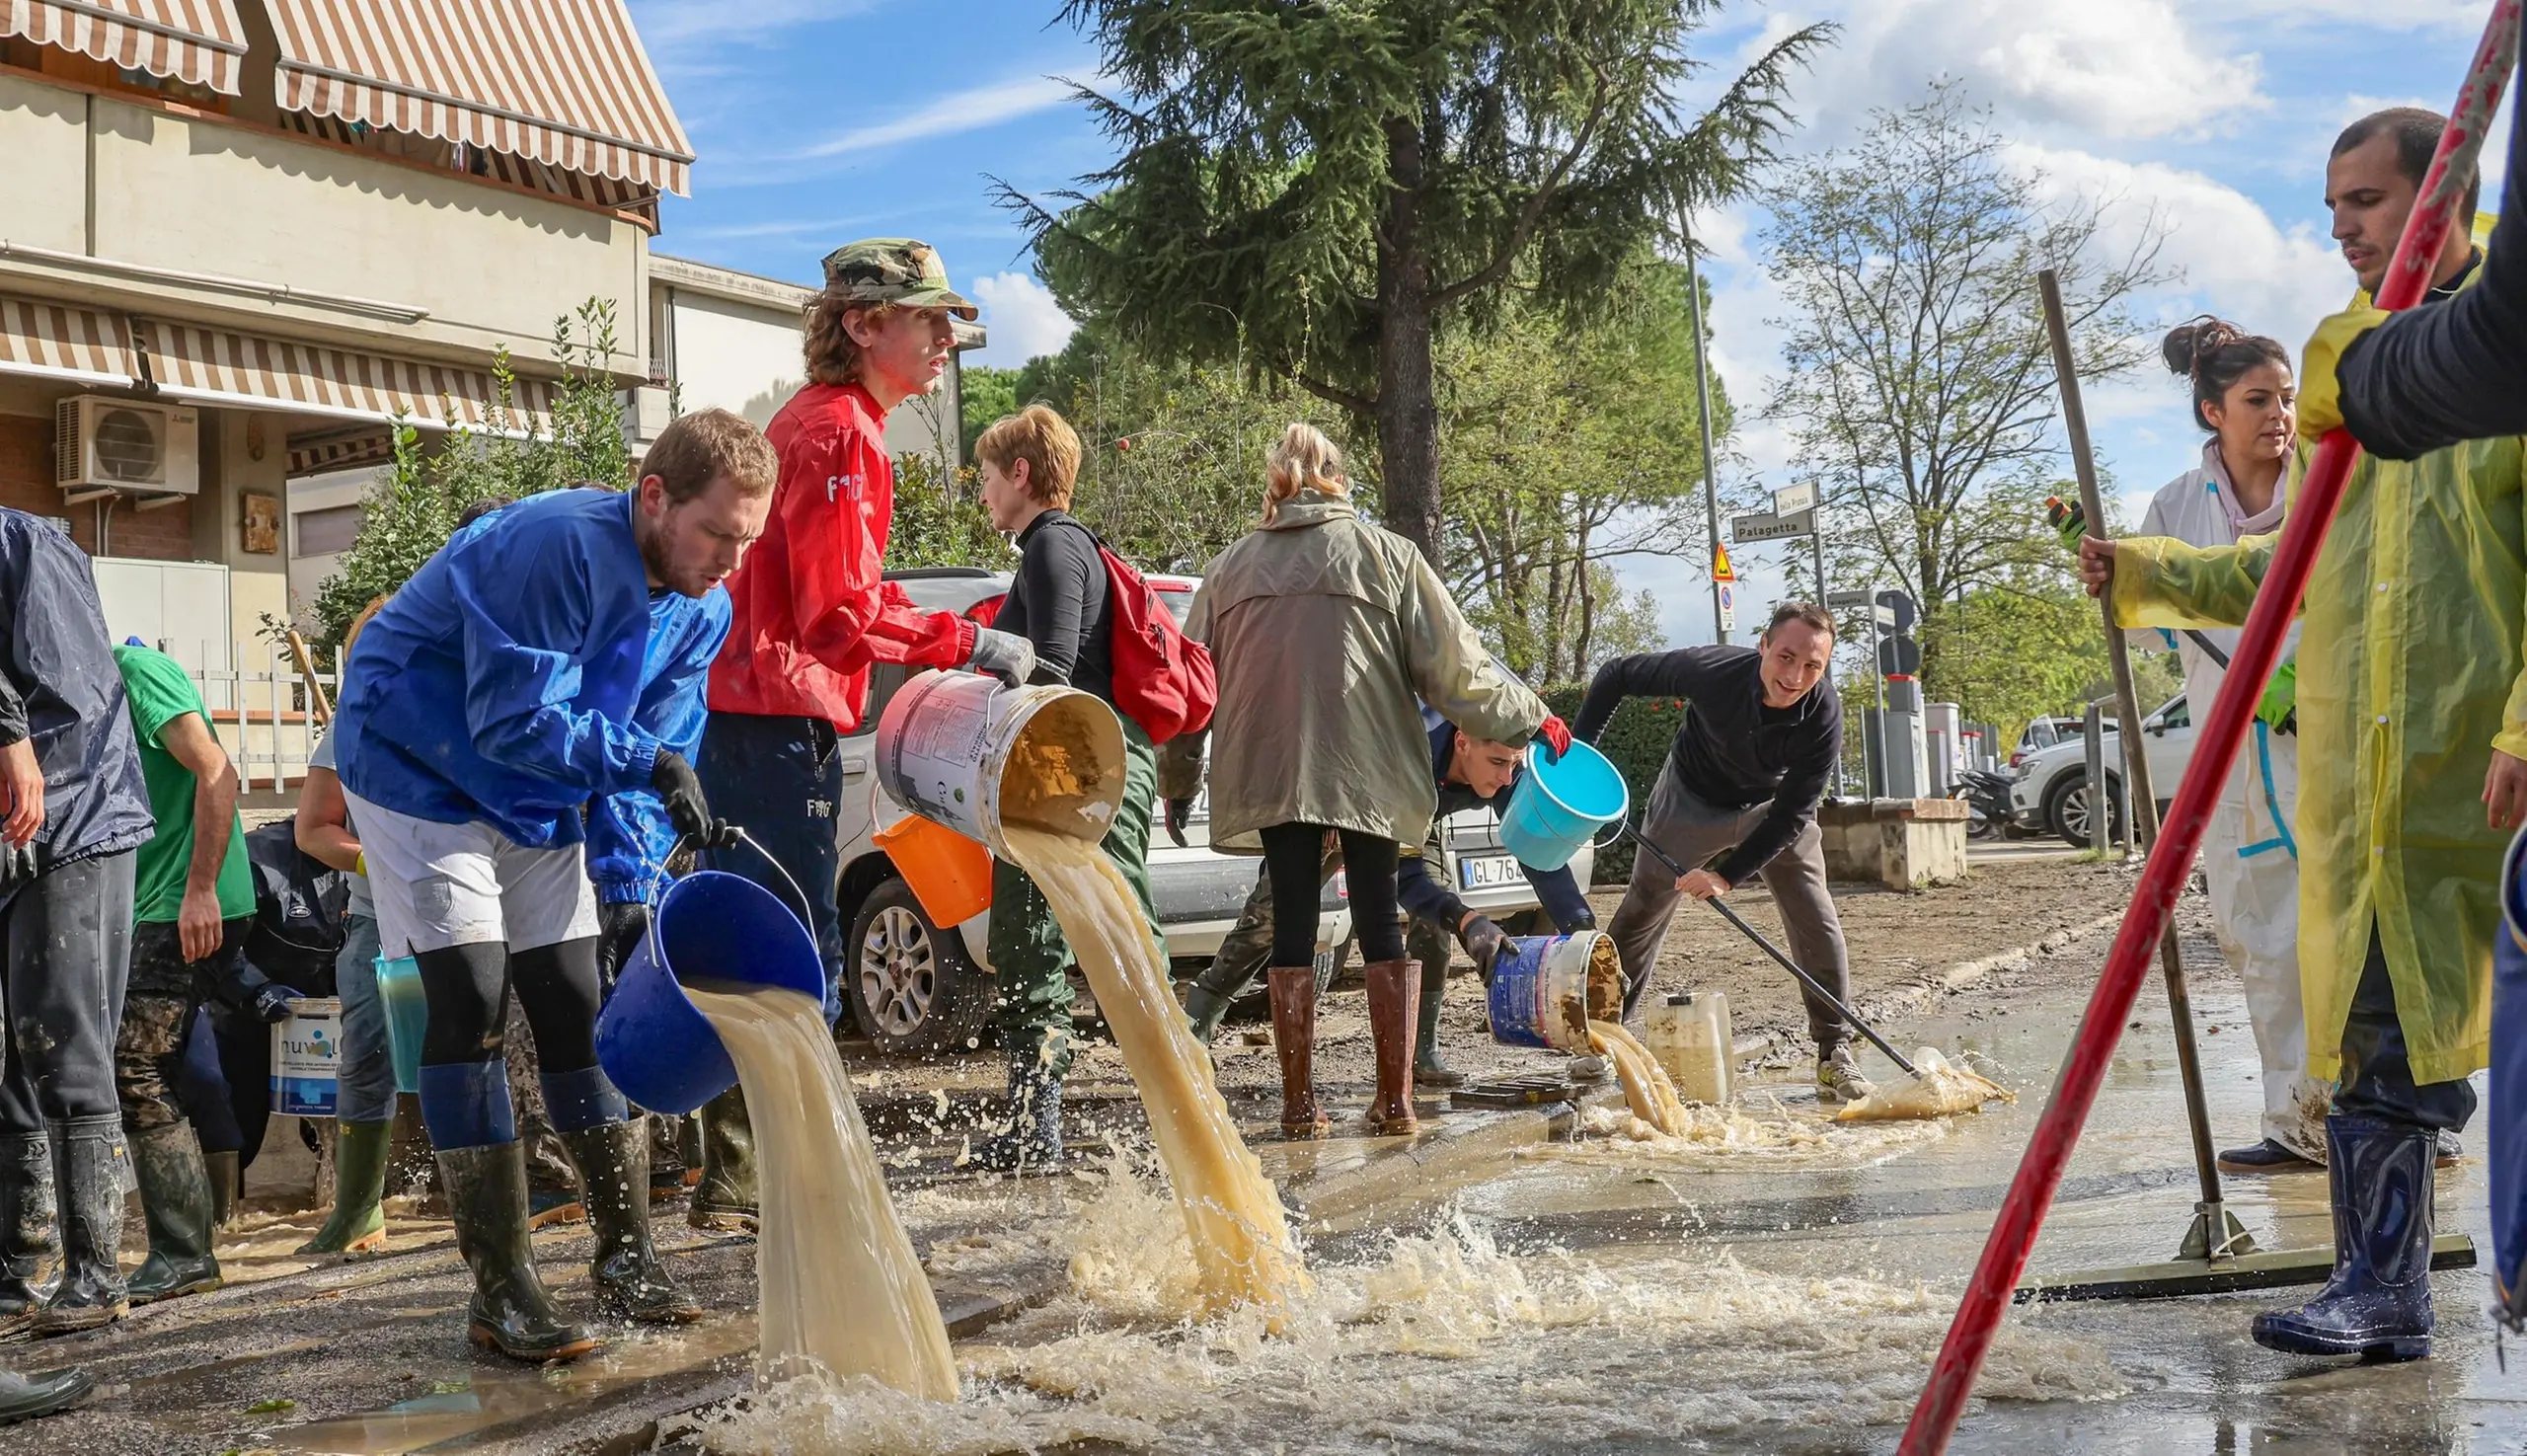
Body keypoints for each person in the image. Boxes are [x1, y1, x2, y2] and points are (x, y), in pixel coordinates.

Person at [2077, 107, 2516, 1362]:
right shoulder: (2365, 376)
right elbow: (2278, 568)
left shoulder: (2500, 362)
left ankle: (2398, 1286)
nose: (2341, 232)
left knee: (2435, 1030)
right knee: (2381, 1036)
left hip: (2468, 776)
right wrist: (2141, 569)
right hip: (2366, 785)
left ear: (2442, 192)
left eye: (2364, 204)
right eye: (2330, 209)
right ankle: (2380, 1289)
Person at [333, 409, 773, 1361]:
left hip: (534, 787)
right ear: (654, 495)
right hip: (419, 761)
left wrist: (626, 873)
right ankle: (504, 1287)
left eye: (748, 541)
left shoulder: (706, 603)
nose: (731, 561)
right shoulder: (550, 546)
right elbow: (515, 720)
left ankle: (627, 1257)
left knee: (575, 997)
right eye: (717, 534)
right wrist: (648, 766)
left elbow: (658, 748)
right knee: (475, 995)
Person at [694, 239, 1034, 1221]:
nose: (946, 337)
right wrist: (964, 638)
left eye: (947, 318)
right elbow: (839, 614)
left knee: (752, 948)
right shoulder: (843, 434)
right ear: (860, 324)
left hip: (745, 719)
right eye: (926, 317)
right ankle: (794, 1181)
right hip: (772, 719)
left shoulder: (814, 423)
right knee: (796, 959)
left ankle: (741, 1174)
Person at [1161, 422, 1544, 1138]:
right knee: (1376, 916)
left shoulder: (1230, 568)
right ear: (1339, 480)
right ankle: (1394, 1100)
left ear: (1275, 480)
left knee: (1295, 923)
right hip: (1370, 766)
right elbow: (1457, 671)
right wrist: (1534, 718)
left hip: (1276, 767)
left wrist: (1178, 778)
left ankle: (1299, 1106)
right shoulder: (1390, 556)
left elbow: (1190, 687)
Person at [2130, 319, 2329, 1173]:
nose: (2279, 414)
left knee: (2355, 930)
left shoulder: (2329, 486)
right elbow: (2146, 638)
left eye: (2287, 397)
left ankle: (2401, 1117)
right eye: (2258, 400)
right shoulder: (2177, 509)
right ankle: (2298, 1118)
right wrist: (2116, 576)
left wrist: (2303, 671)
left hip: (2330, 739)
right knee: (2259, 930)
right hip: (2232, 752)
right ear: (2213, 410)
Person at [1179, 709, 1587, 1089]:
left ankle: (1421, 1051)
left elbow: (1539, 858)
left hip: (1412, 816)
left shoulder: (1504, 767)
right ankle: (1197, 1023)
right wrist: (1465, 917)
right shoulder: (1414, 747)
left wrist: (1583, 933)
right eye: (1498, 763)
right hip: (1341, 799)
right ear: (1462, 742)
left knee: (1434, 919)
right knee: (1272, 913)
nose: (1507, 777)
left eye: (1513, 764)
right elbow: (1399, 877)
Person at [1573, 603, 1869, 1105]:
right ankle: (1602, 1038)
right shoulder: (1711, 670)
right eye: (1786, 657)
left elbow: (1791, 815)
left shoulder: (1824, 717)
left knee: (1815, 915)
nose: (1795, 676)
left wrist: (1726, 877)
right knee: (1642, 908)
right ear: (1763, 648)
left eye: (1812, 666)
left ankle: (1834, 1050)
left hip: (1771, 809)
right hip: (1691, 796)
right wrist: (1577, 756)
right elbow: (1616, 674)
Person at [968, 404, 1159, 1170]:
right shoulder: (1060, 549)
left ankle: (1065, 1122)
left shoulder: (1052, 546)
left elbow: (1052, 669)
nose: (983, 492)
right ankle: (1038, 1123)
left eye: (987, 476)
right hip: (1084, 763)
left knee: (1074, 943)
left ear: (1021, 473)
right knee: (1053, 942)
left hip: (1073, 766)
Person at [0, 507, 145, 1424]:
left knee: (65, 1040)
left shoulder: (24, 543)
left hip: (74, 820)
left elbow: (69, 691)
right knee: (17, 1053)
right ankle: (22, 1266)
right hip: (26, 824)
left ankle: (95, 1268)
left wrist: (9, 732)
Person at [110, 640, 299, 1310]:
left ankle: (185, 1252)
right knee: (163, 1068)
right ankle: (187, 1245)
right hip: (150, 908)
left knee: (138, 1065)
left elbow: (217, 770)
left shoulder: (135, 670)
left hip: (187, 905)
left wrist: (200, 889)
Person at [293, 598, 395, 1256]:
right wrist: (379, 859)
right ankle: (359, 1212)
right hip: (376, 918)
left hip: (474, 912)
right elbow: (312, 830)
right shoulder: (348, 731)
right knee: (366, 1060)